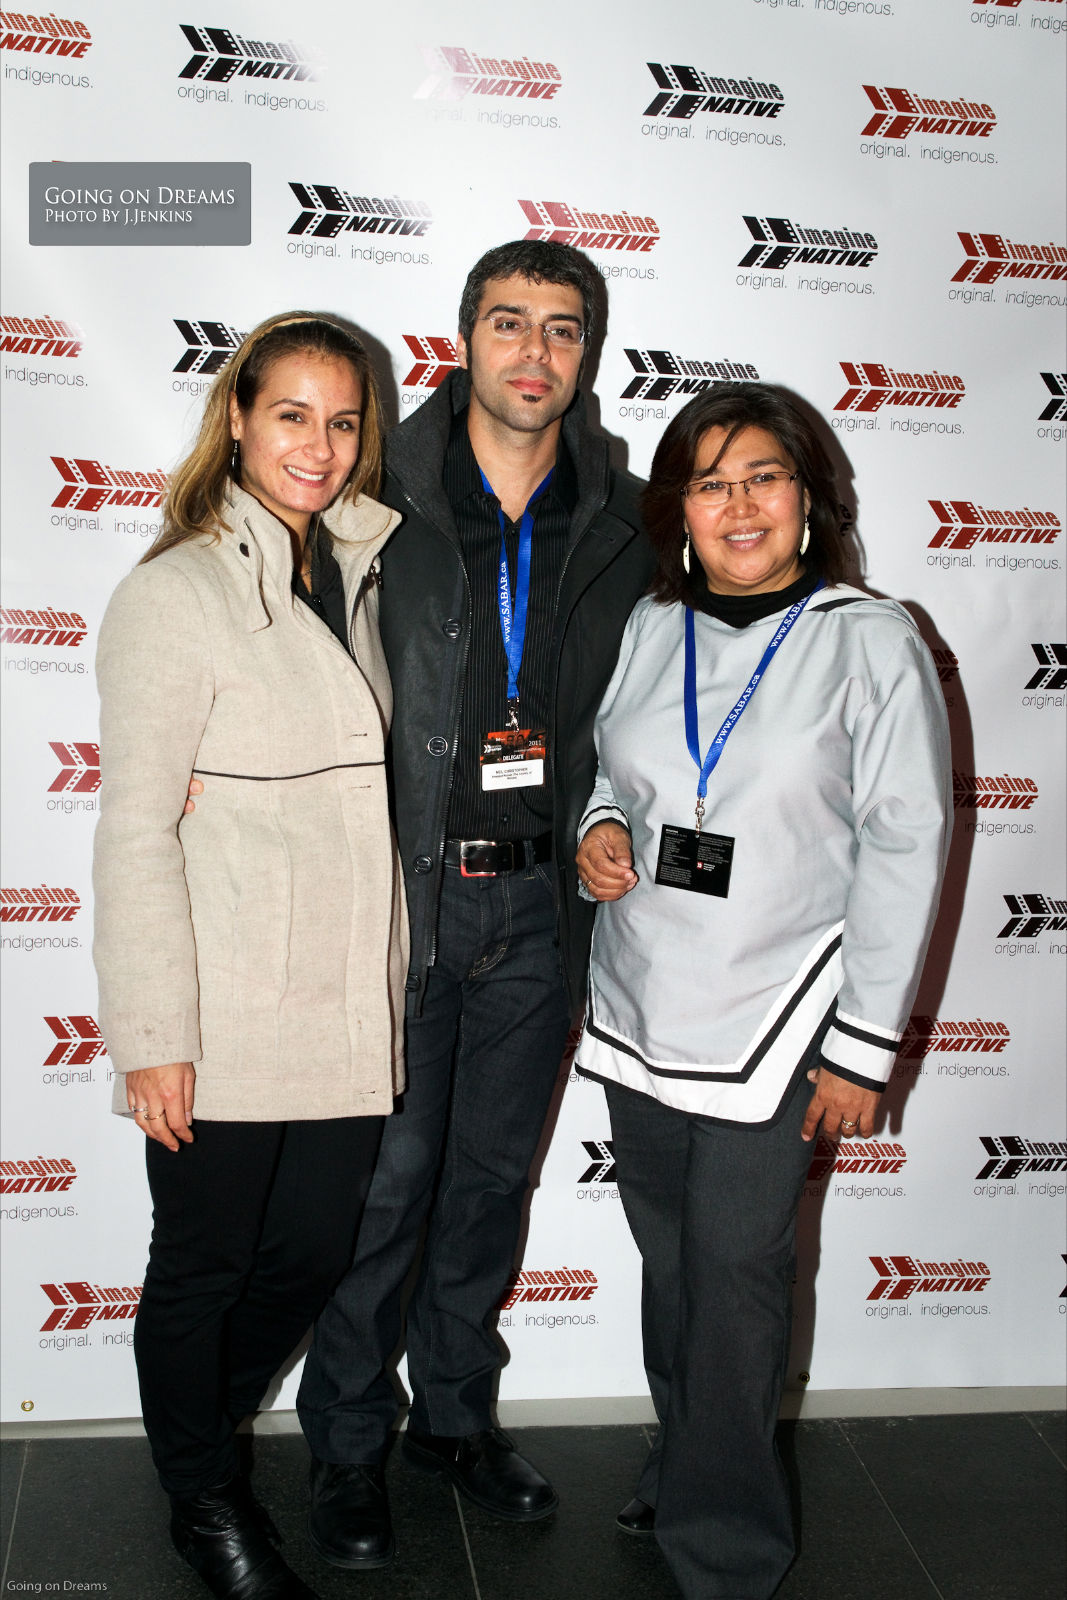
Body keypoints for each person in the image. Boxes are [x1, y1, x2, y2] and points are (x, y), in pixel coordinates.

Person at [293, 241, 655, 1568]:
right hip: (401, 903)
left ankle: (449, 1419)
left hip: (539, 913)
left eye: (562, 331)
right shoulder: (376, 490)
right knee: (384, 1190)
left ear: (585, 355)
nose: (533, 354)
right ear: (462, 341)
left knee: (489, 1185)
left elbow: (633, 717)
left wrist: (608, 823)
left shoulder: (618, 512)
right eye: (507, 324)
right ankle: (344, 1446)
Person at [573, 382, 951, 1600]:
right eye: (709, 480)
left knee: (736, 1275)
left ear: (807, 500)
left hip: (782, 1006)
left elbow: (906, 841)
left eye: (762, 478)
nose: (737, 503)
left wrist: (862, 1046)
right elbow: (608, 773)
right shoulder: (650, 627)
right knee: (670, 1259)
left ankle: (726, 1545)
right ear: (677, 507)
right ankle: (688, 1457)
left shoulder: (868, 638)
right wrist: (595, 830)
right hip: (640, 993)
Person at [93, 312, 407, 1600]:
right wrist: (152, 1033)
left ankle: (188, 1432)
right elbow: (131, 829)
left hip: (340, 998)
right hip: (220, 1006)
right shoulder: (174, 592)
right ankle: (202, 1498)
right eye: (293, 415)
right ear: (238, 417)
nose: (319, 447)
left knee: (316, 1251)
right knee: (204, 1265)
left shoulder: (364, 565)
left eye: (342, 422)